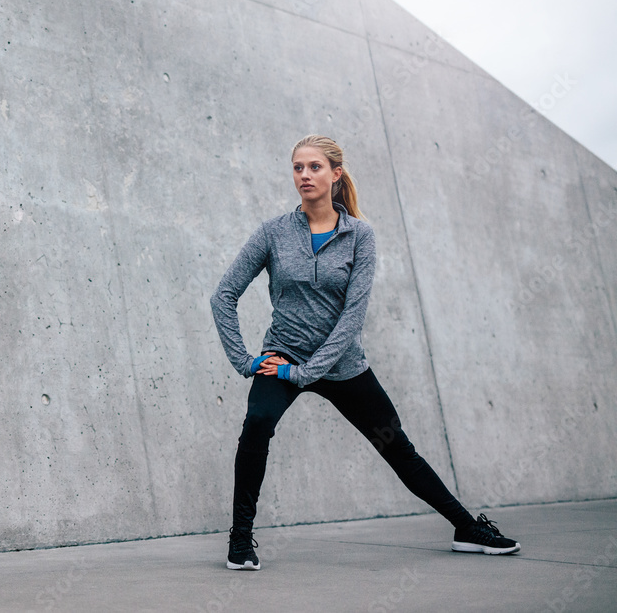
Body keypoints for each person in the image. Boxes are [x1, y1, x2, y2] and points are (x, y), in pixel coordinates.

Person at [210, 134, 519, 571]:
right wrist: (246, 361)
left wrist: (306, 372)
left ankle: (466, 528)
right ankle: (240, 541)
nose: (304, 175)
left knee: (396, 446)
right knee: (257, 423)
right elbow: (223, 295)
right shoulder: (273, 233)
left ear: (336, 174)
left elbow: (352, 317)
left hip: (342, 365)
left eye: (314, 167)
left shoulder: (360, 236)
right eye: (298, 167)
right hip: (282, 355)